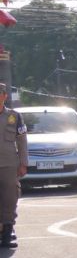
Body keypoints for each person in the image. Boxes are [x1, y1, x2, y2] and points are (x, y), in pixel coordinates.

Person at [0, 84, 28, 249]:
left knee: (10, 198)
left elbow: (22, 141)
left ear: (4, 96)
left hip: (10, 164)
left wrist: (23, 163)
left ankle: (8, 230)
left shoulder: (14, 116)